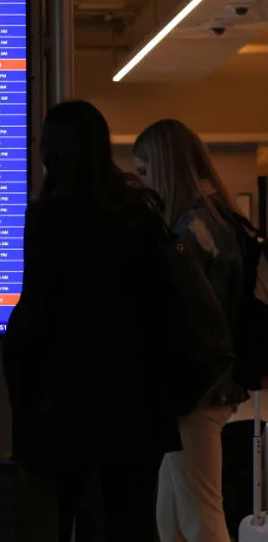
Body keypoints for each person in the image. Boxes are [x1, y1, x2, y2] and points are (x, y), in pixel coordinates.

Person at [3, 100, 180, 542]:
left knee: (55, 522)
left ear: (52, 153)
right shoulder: (141, 213)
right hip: (134, 409)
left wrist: (22, 403)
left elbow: (35, 318)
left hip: (62, 407)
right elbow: (163, 311)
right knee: (131, 523)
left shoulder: (48, 217)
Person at [133, 119, 247, 542]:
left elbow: (174, 311)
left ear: (163, 169)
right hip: (210, 386)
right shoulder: (220, 220)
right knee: (176, 517)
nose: (142, 184)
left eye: (144, 172)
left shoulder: (190, 231)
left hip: (195, 390)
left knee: (200, 515)